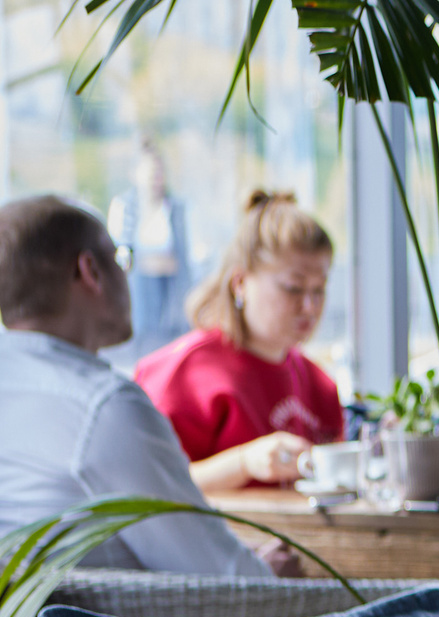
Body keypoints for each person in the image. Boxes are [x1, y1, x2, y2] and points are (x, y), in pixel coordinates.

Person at [0, 196, 289, 577]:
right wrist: (269, 573)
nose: (127, 275)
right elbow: (223, 580)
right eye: (121, 258)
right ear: (90, 271)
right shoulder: (103, 408)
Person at [136, 191, 343, 492]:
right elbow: (146, 486)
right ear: (240, 283)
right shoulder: (184, 375)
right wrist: (244, 463)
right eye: (293, 288)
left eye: (319, 290)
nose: (310, 306)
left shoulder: (321, 385)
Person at [106, 139, 191, 355]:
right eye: (150, 171)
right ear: (135, 174)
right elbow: (118, 254)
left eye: (159, 171)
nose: (156, 177)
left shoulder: (176, 208)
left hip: (172, 297)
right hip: (140, 296)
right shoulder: (124, 207)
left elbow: (187, 256)